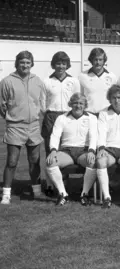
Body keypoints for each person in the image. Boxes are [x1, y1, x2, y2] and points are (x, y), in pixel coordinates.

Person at [0, 51, 46, 204]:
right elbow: (2, 105)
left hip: (33, 126)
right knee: (12, 162)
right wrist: (12, 117)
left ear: (31, 64)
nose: (25, 65)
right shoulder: (7, 81)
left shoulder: (37, 80)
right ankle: (6, 194)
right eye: (22, 62)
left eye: (28, 62)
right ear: (17, 63)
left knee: (34, 161)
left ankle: (37, 191)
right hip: (15, 127)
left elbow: (40, 101)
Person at [45, 93, 98, 206]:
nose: (78, 106)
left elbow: (94, 136)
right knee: (50, 162)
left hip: (84, 151)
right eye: (75, 103)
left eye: (81, 103)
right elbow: (55, 136)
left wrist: (92, 151)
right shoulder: (61, 118)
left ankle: (84, 194)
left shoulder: (92, 118)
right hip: (66, 151)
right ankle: (63, 194)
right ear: (70, 104)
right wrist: (53, 150)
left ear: (85, 105)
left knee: (93, 162)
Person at [40, 51, 81, 194]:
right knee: (50, 150)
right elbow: (42, 103)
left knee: (66, 148)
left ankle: (64, 181)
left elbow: (77, 99)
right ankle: (51, 184)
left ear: (67, 65)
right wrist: (49, 115)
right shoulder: (46, 81)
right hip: (51, 115)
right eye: (58, 63)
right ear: (53, 64)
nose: (61, 66)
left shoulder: (74, 81)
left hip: (68, 116)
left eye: (63, 63)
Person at [78, 48, 118, 114]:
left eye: (100, 60)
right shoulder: (82, 76)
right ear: (91, 60)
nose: (98, 62)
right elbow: (80, 97)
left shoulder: (112, 77)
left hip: (106, 114)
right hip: (89, 114)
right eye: (95, 59)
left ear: (104, 61)